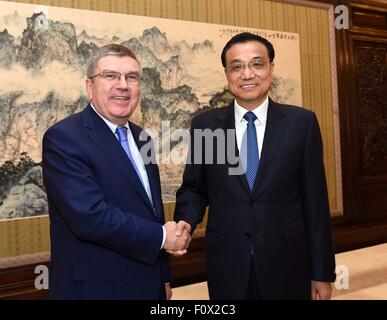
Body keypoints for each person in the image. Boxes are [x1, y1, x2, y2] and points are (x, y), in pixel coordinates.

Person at [174, 32, 336, 300]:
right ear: (227, 74)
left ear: (271, 68)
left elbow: (315, 203)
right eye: (237, 66)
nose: (247, 74)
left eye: (257, 64)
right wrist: (185, 222)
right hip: (227, 264)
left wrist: (322, 272)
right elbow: (194, 188)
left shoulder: (301, 123)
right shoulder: (205, 125)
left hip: (288, 264)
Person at [42, 44, 190, 300]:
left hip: (148, 285)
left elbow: (153, 212)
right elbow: (89, 217)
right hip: (94, 291)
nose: (123, 85)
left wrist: (164, 278)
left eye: (131, 77)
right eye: (110, 76)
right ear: (90, 87)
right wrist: (163, 237)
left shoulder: (142, 138)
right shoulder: (64, 138)